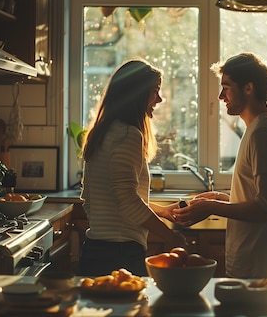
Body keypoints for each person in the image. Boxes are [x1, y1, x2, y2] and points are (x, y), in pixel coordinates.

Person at [172, 53, 267, 278]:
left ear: (248, 88)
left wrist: (211, 208)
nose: (221, 96)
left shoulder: (263, 134)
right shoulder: (256, 129)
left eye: (226, 87)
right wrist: (221, 198)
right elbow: (258, 199)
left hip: (259, 267)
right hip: (254, 263)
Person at [79, 59, 187, 277]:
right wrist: (170, 237)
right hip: (121, 254)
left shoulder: (101, 133)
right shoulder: (128, 135)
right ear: (137, 94)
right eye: (155, 91)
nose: (159, 99)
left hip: (94, 250)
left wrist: (162, 211)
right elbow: (127, 200)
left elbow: (92, 199)